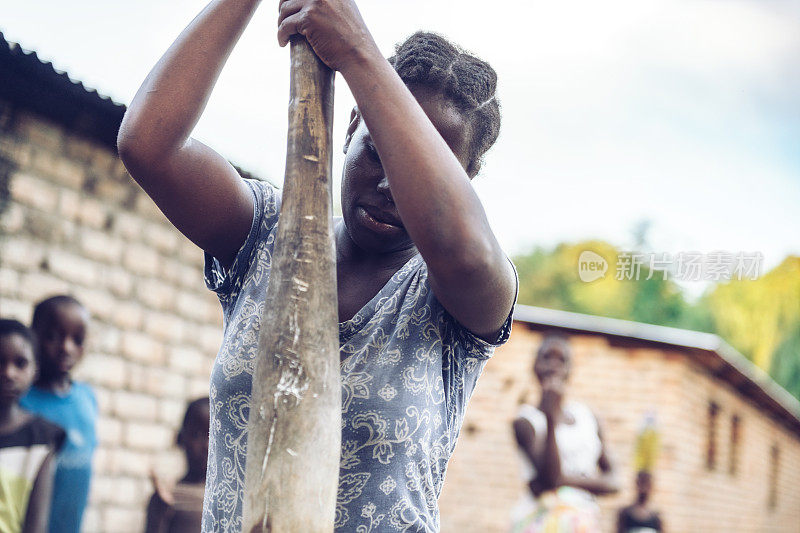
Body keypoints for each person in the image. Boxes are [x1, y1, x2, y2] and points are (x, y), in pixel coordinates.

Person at [117, 0, 517, 530]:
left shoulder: (466, 293)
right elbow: (147, 145)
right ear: (351, 127)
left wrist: (355, 49)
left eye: (413, 169)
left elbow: (462, 247)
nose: (388, 186)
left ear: (462, 181)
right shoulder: (265, 234)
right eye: (377, 151)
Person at [511, 334, 619, 533]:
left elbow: (614, 481)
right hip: (540, 522)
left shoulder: (588, 416)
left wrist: (564, 480)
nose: (553, 366)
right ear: (534, 365)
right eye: (546, 358)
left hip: (584, 523)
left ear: (571, 369)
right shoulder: (525, 421)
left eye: (562, 360)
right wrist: (551, 417)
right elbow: (551, 477)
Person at [20, 296, 97, 533]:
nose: (66, 347)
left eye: (77, 339)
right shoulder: (20, 402)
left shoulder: (87, 398)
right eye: (53, 336)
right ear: (33, 336)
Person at [0, 319, 66, 533]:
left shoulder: (41, 438)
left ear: (35, 370)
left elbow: (36, 525)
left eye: (20, 363)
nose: (8, 373)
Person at [145, 397, 210, 533]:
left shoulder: (231, 500)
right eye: (197, 435)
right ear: (180, 438)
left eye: (212, 436)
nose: (206, 445)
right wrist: (160, 516)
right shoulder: (167, 498)